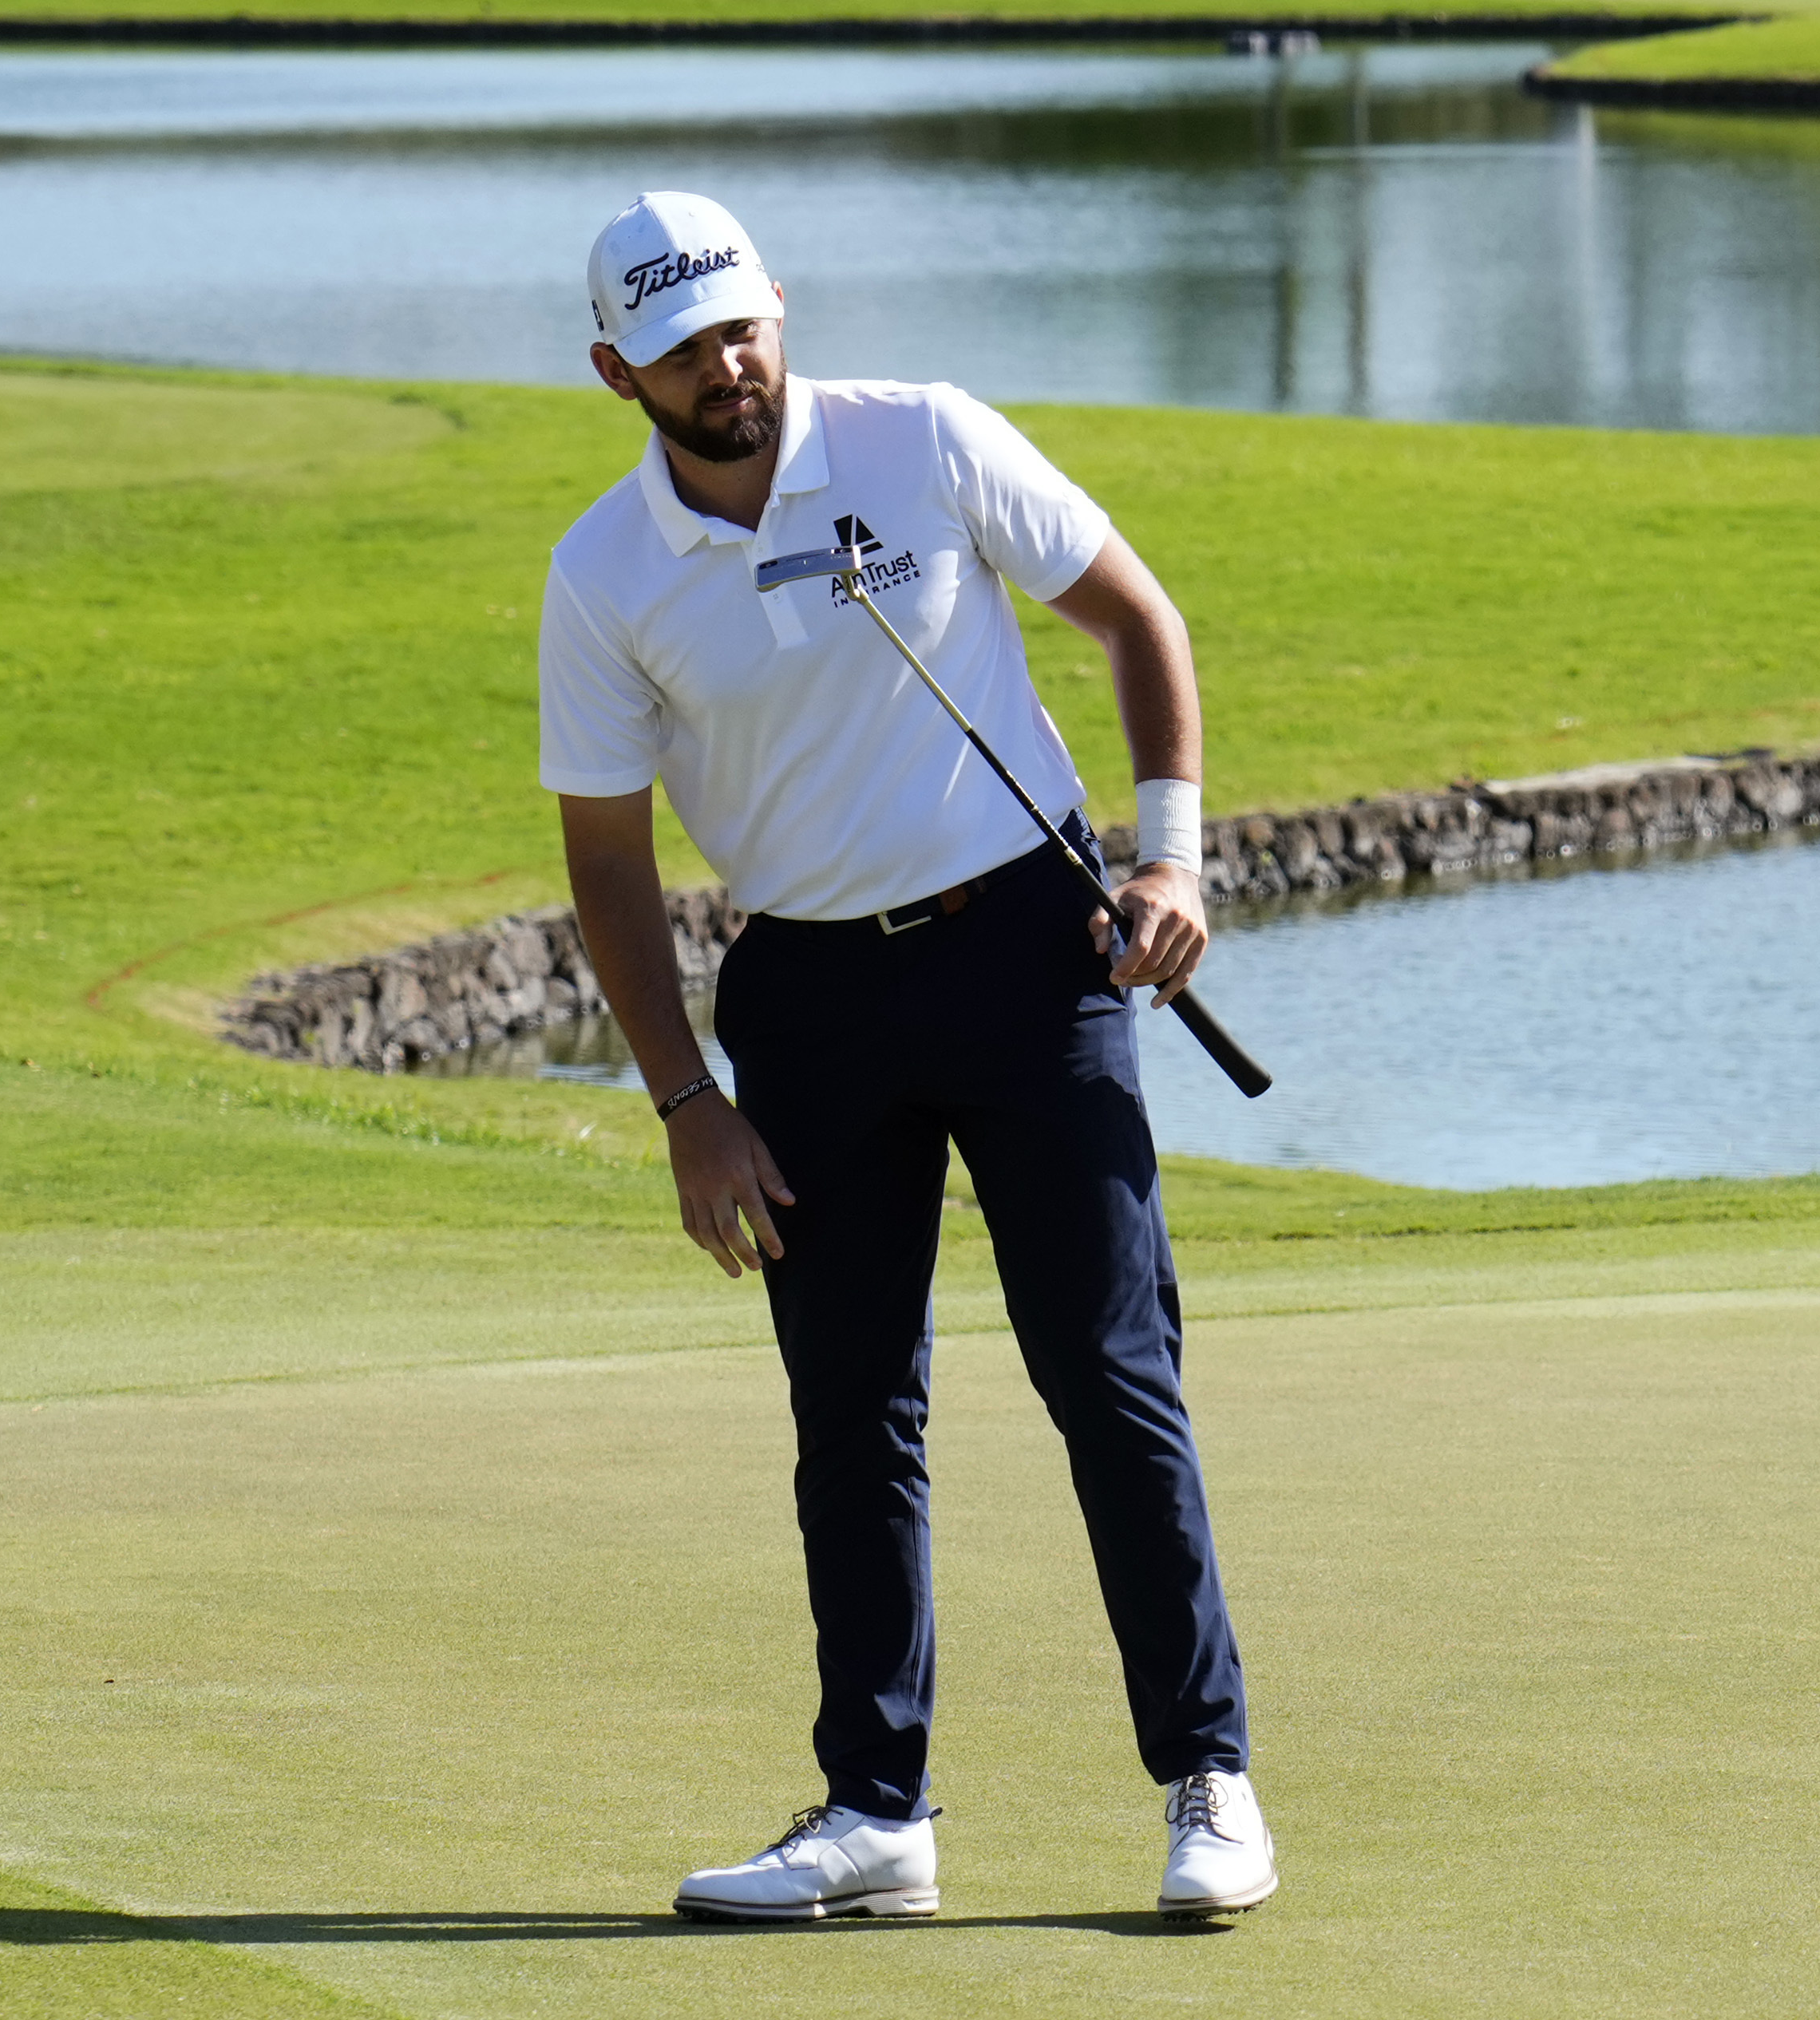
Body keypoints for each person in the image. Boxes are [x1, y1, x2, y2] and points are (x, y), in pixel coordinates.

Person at [536, 191, 1276, 1923]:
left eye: (740, 325)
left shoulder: (923, 438)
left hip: (1033, 952)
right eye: (680, 347)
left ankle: (1209, 1776)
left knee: (1108, 1372)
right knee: (851, 1409)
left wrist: (1170, 857)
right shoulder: (605, 571)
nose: (727, 366)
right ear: (614, 369)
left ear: (777, 303)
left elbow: (1138, 622)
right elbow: (607, 857)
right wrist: (685, 1105)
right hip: (806, 1002)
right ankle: (877, 1812)